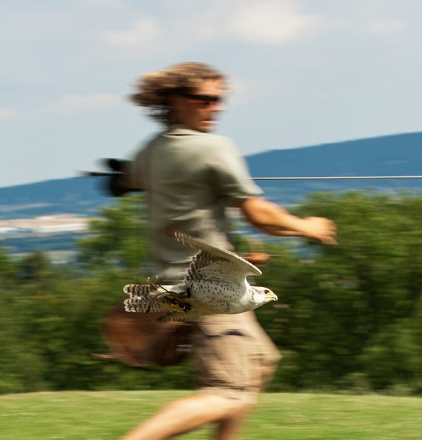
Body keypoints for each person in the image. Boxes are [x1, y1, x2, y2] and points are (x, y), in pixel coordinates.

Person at [120, 62, 336, 440]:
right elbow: (260, 215)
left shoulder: (149, 151)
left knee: (258, 364)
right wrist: (309, 227)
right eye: (203, 100)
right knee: (229, 392)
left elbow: (135, 182)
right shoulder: (214, 148)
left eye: (218, 100)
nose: (214, 108)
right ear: (174, 101)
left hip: (175, 287)